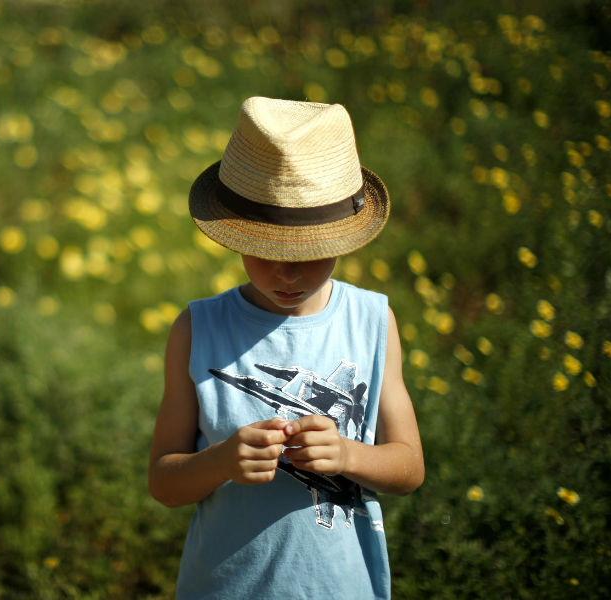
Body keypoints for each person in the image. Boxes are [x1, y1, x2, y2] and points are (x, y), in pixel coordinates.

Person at [148, 97, 425, 599]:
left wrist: (346, 454)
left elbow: (409, 468)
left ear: (342, 239)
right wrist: (220, 461)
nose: (288, 273)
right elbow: (164, 482)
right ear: (235, 237)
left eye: (310, 253)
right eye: (266, 250)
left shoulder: (372, 322)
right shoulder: (197, 329)